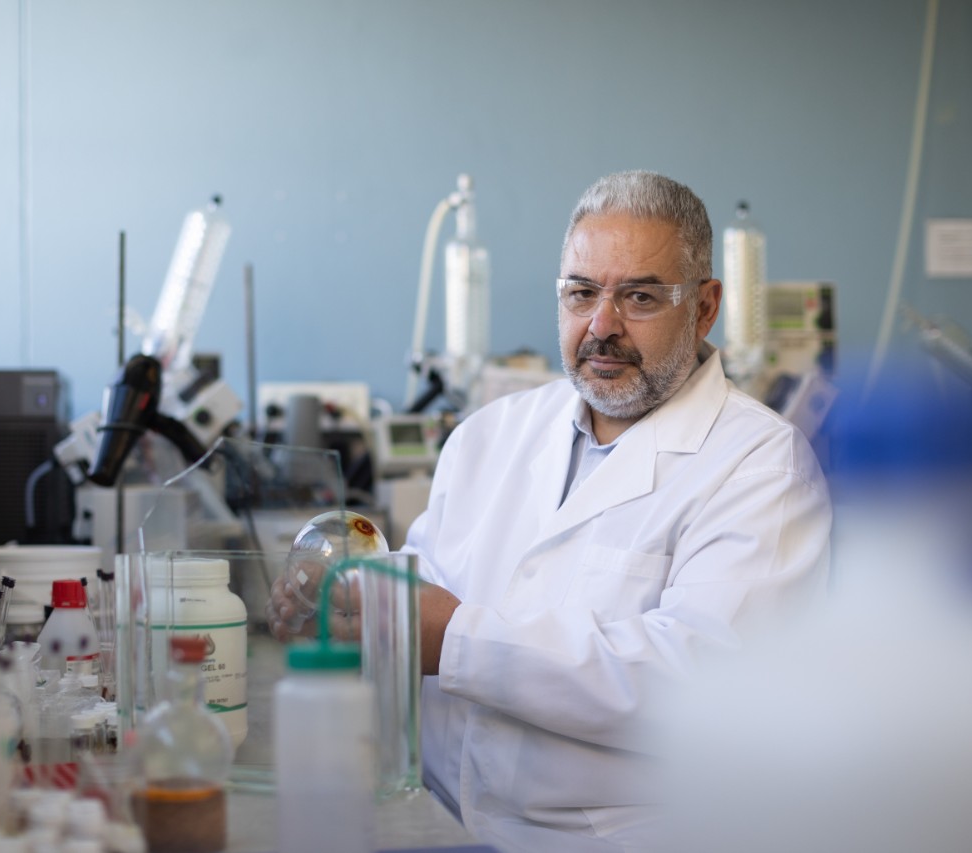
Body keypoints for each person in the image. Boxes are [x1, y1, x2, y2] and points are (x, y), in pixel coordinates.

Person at [268, 170, 832, 852]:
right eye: (581, 292)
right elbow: (422, 600)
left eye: (641, 296)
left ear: (705, 306)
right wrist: (351, 608)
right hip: (437, 819)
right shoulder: (489, 434)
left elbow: (700, 686)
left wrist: (454, 637)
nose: (602, 326)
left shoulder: (761, 464)